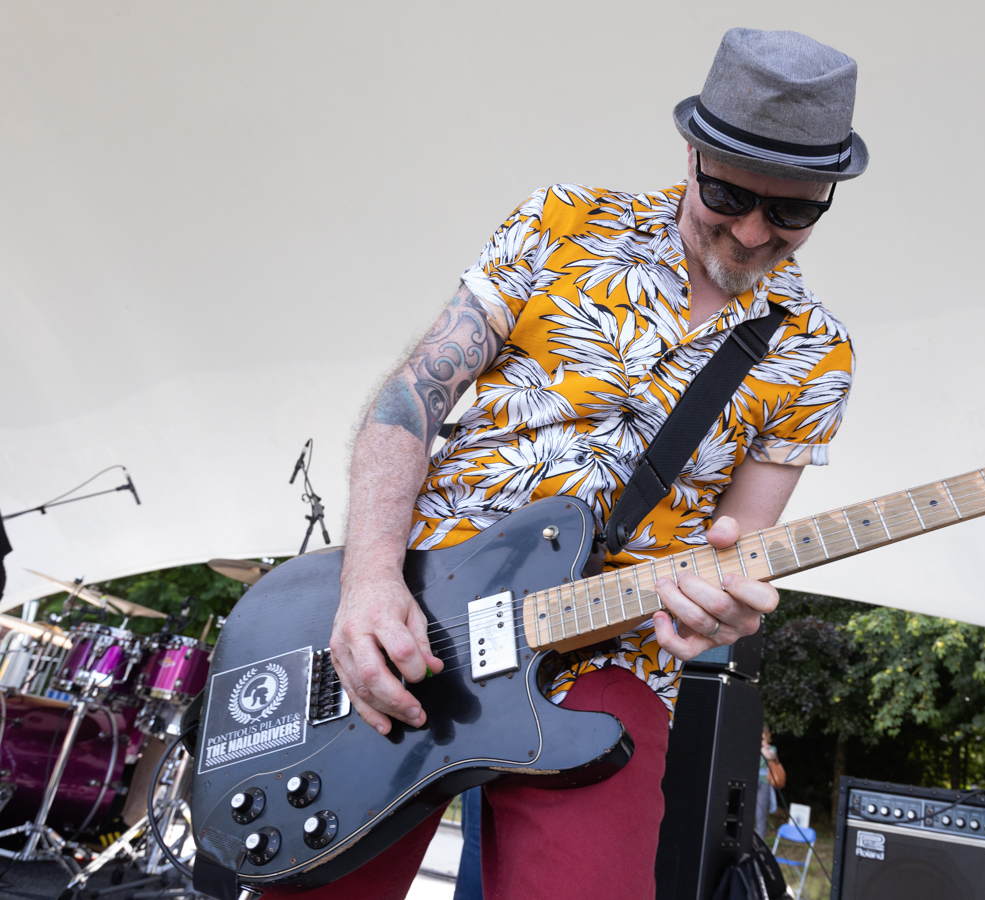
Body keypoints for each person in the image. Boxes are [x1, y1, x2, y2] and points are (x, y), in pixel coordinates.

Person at [310, 27, 867, 900]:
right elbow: (408, 402)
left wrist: (716, 613)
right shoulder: (563, 222)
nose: (755, 230)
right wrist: (369, 579)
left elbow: (739, 551)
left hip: (608, 667)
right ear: (692, 151)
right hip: (419, 614)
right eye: (727, 193)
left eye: (793, 211)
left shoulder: (817, 354)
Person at [756, 726, 787, 839]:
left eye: (762, 738)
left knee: (760, 813)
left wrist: (761, 747)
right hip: (752, 781)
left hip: (764, 782)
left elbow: (769, 756)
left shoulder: (771, 748)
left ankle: (760, 839)